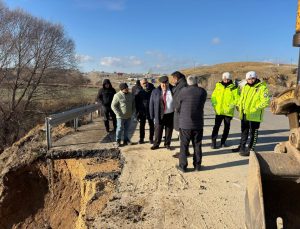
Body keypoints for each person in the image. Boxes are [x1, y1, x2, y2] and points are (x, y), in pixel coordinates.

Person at [232, 71, 270, 156]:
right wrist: (239, 105)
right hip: (245, 114)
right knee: (244, 132)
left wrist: (255, 108)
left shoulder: (262, 87)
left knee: (253, 133)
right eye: (249, 79)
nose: (251, 80)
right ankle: (241, 147)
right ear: (246, 79)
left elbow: (266, 101)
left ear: (256, 77)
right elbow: (241, 99)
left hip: (254, 115)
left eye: (252, 78)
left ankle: (250, 149)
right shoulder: (245, 87)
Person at [176, 75, 207, 172]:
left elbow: (177, 106)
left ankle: (183, 166)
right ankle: (197, 166)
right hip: (198, 123)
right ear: (196, 82)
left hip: (185, 124)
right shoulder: (202, 92)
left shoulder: (183, 91)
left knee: (184, 145)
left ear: (188, 82)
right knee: (197, 145)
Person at [211, 72, 239, 149]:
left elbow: (237, 99)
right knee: (216, 127)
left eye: (227, 79)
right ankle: (213, 142)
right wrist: (214, 105)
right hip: (219, 111)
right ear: (222, 78)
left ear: (230, 79)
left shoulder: (234, 88)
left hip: (228, 112)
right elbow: (213, 97)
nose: (226, 80)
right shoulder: (218, 86)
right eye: (224, 79)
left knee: (227, 127)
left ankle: (223, 142)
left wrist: (231, 106)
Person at [149, 75, 174, 150]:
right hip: (159, 114)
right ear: (160, 84)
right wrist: (152, 116)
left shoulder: (173, 90)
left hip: (170, 114)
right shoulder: (155, 91)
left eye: (166, 83)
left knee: (169, 130)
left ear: (168, 83)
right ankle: (156, 144)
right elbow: (151, 104)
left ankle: (167, 144)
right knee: (158, 130)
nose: (164, 85)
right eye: (162, 84)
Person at [135, 78, 155, 144]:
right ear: (141, 84)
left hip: (150, 111)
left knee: (151, 125)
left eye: (146, 83)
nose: (145, 84)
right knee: (141, 125)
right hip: (142, 111)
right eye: (143, 83)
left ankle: (151, 138)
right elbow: (136, 103)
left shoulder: (153, 90)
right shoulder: (138, 92)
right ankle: (141, 138)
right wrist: (137, 113)